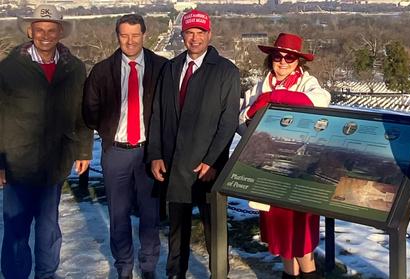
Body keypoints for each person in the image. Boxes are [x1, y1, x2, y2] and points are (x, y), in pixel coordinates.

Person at [0, 4, 93, 279]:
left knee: (49, 227)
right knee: (16, 229)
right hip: (18, 162)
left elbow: (81, 111)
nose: (45, 35)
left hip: (55, 160)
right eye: (39, 30)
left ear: (60, 32)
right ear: (30, 31)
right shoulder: (9, 68)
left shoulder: (74, 68)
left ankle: (46, 273)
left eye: (51, 30)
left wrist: (84, 150)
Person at [147, 9, 240, 278]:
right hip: (174, 166)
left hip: (207, 169)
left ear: (209, 34)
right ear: (182, 35)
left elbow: (228, 122)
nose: (195, 38)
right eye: (190, 32)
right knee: (177, 233)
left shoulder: (225, 71)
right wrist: (155, 154)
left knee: (214, 232)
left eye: (200, 33)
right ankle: (176, 274)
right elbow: (158, 115)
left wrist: (211, 160)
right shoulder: (171, 68)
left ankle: (218, 274)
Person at [239, 32, 331, 279]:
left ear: (298, 62)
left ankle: (309, 274)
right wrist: (254, 111)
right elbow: (242, 118)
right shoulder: (260, 84)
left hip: (299, 171)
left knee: (300, 234)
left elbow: (319, 102)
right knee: (280, 235)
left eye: (289, 59)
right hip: (269, 169)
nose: (282, 63)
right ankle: (289, 274)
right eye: (277, 57)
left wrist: (273, 98)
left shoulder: (307, 82)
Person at [82, 14, 167, 279]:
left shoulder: (161, 67)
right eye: (124, 35)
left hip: (148, 152)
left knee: (150, 215)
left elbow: (169, 111)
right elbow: (89, 110)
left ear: (144, 34)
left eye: (135, 35)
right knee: (118, 215)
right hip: (115, 151)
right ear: (117, 36)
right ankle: (124, 267)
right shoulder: (102, 70)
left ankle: (149, 266)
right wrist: (108, 130)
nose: (130, 41)